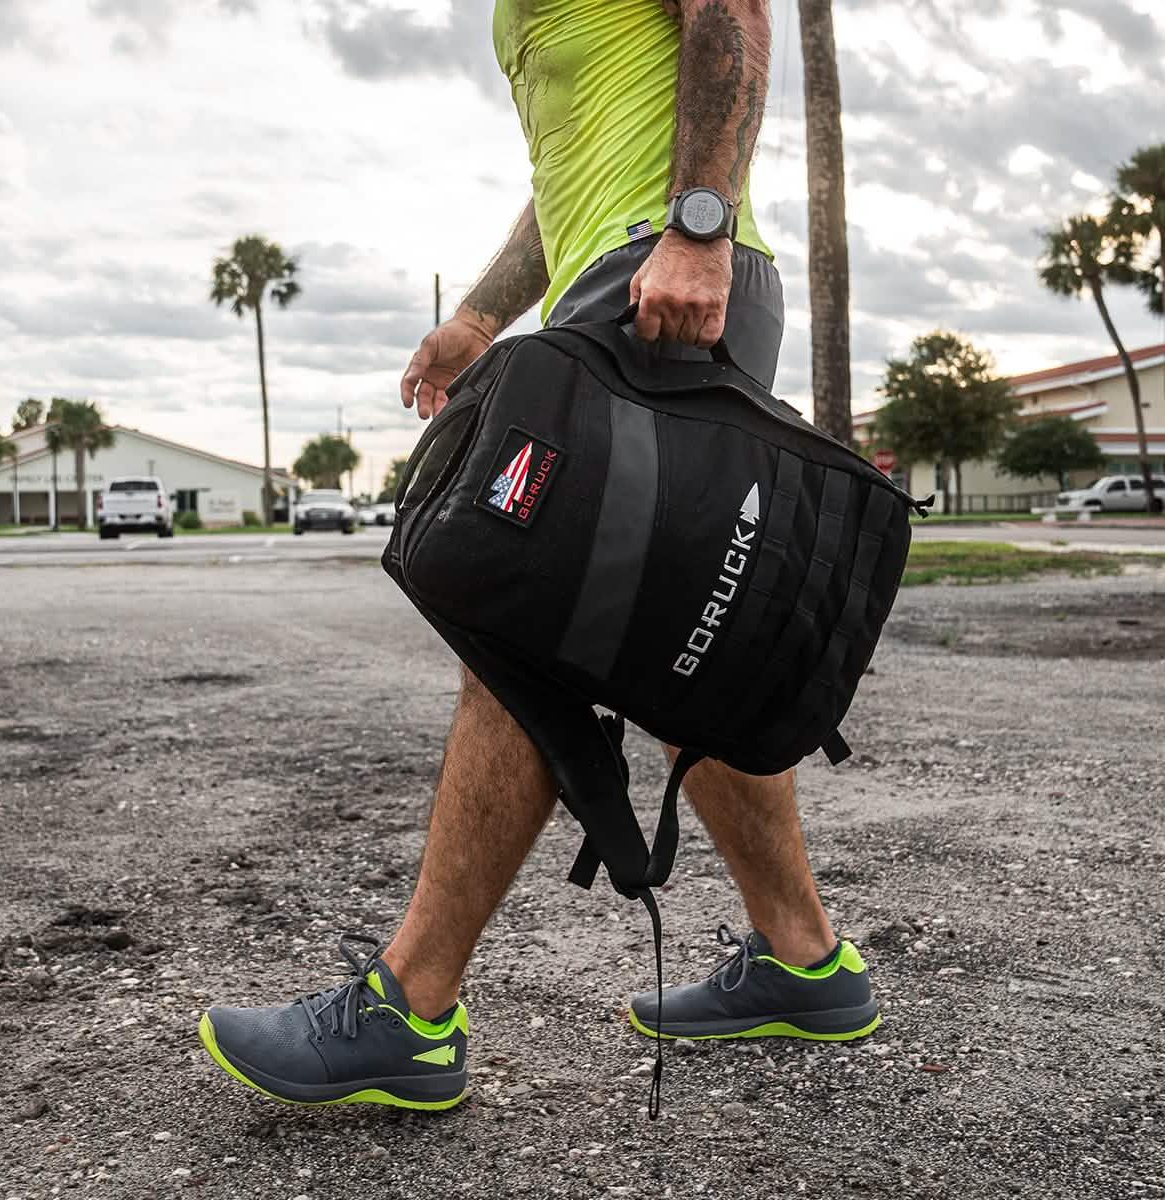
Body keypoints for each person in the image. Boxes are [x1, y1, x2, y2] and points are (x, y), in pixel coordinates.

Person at [199, 0, 877, 1112]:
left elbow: (732, 11)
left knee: (522, 625)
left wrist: (699, 224)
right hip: (624, 273)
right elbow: (564, 179)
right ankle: (805, 962)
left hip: (658, 276)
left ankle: (406, 1013)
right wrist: (476, 315)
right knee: (668, 652)